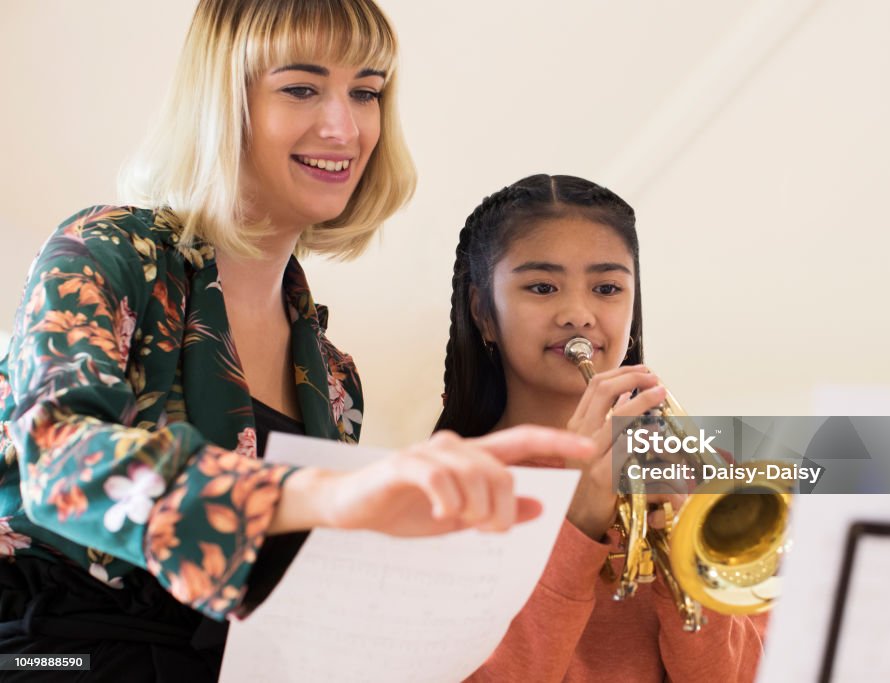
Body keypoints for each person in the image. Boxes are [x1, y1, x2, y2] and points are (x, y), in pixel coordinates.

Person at [0, 3, 593, 679]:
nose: (344, 127)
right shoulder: (108, 251)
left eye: (365, 92)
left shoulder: (337, 381)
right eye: (302, 88)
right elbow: (56, 458)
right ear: (224, 104)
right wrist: (326, 494)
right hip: (55, 654)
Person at [435, 174, 767, 682]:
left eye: (607, 288)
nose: (578, 315)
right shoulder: (443, 491)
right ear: (483, 313)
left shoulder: (706, 471)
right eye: (542, 287)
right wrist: (578, 526)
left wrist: (689, 568)